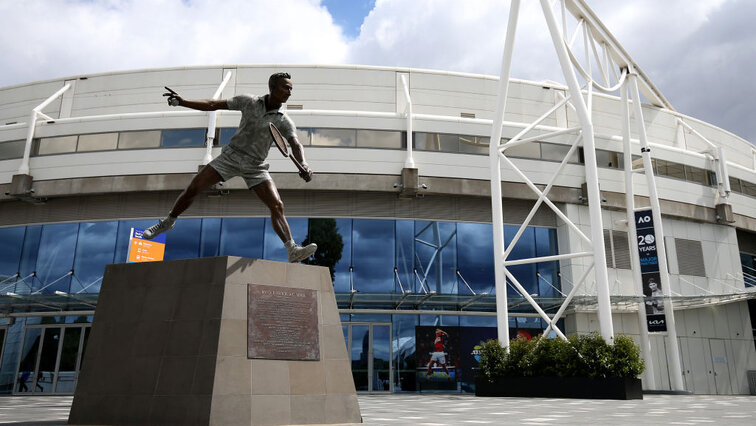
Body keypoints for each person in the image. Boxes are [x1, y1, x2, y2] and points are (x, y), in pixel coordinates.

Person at [143, 72, 317, 263]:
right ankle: (168, 222)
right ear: (273, 87)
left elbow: (295, 144)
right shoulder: (249, 102)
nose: (289, 92)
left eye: (291, 89)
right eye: (286, 87)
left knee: (277, 206)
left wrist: (304, 164)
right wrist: (183, 102)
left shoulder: (284, 120)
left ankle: (292, 249)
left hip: (256, 166)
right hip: (230, 157)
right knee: (193, 188)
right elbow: (212, 105)